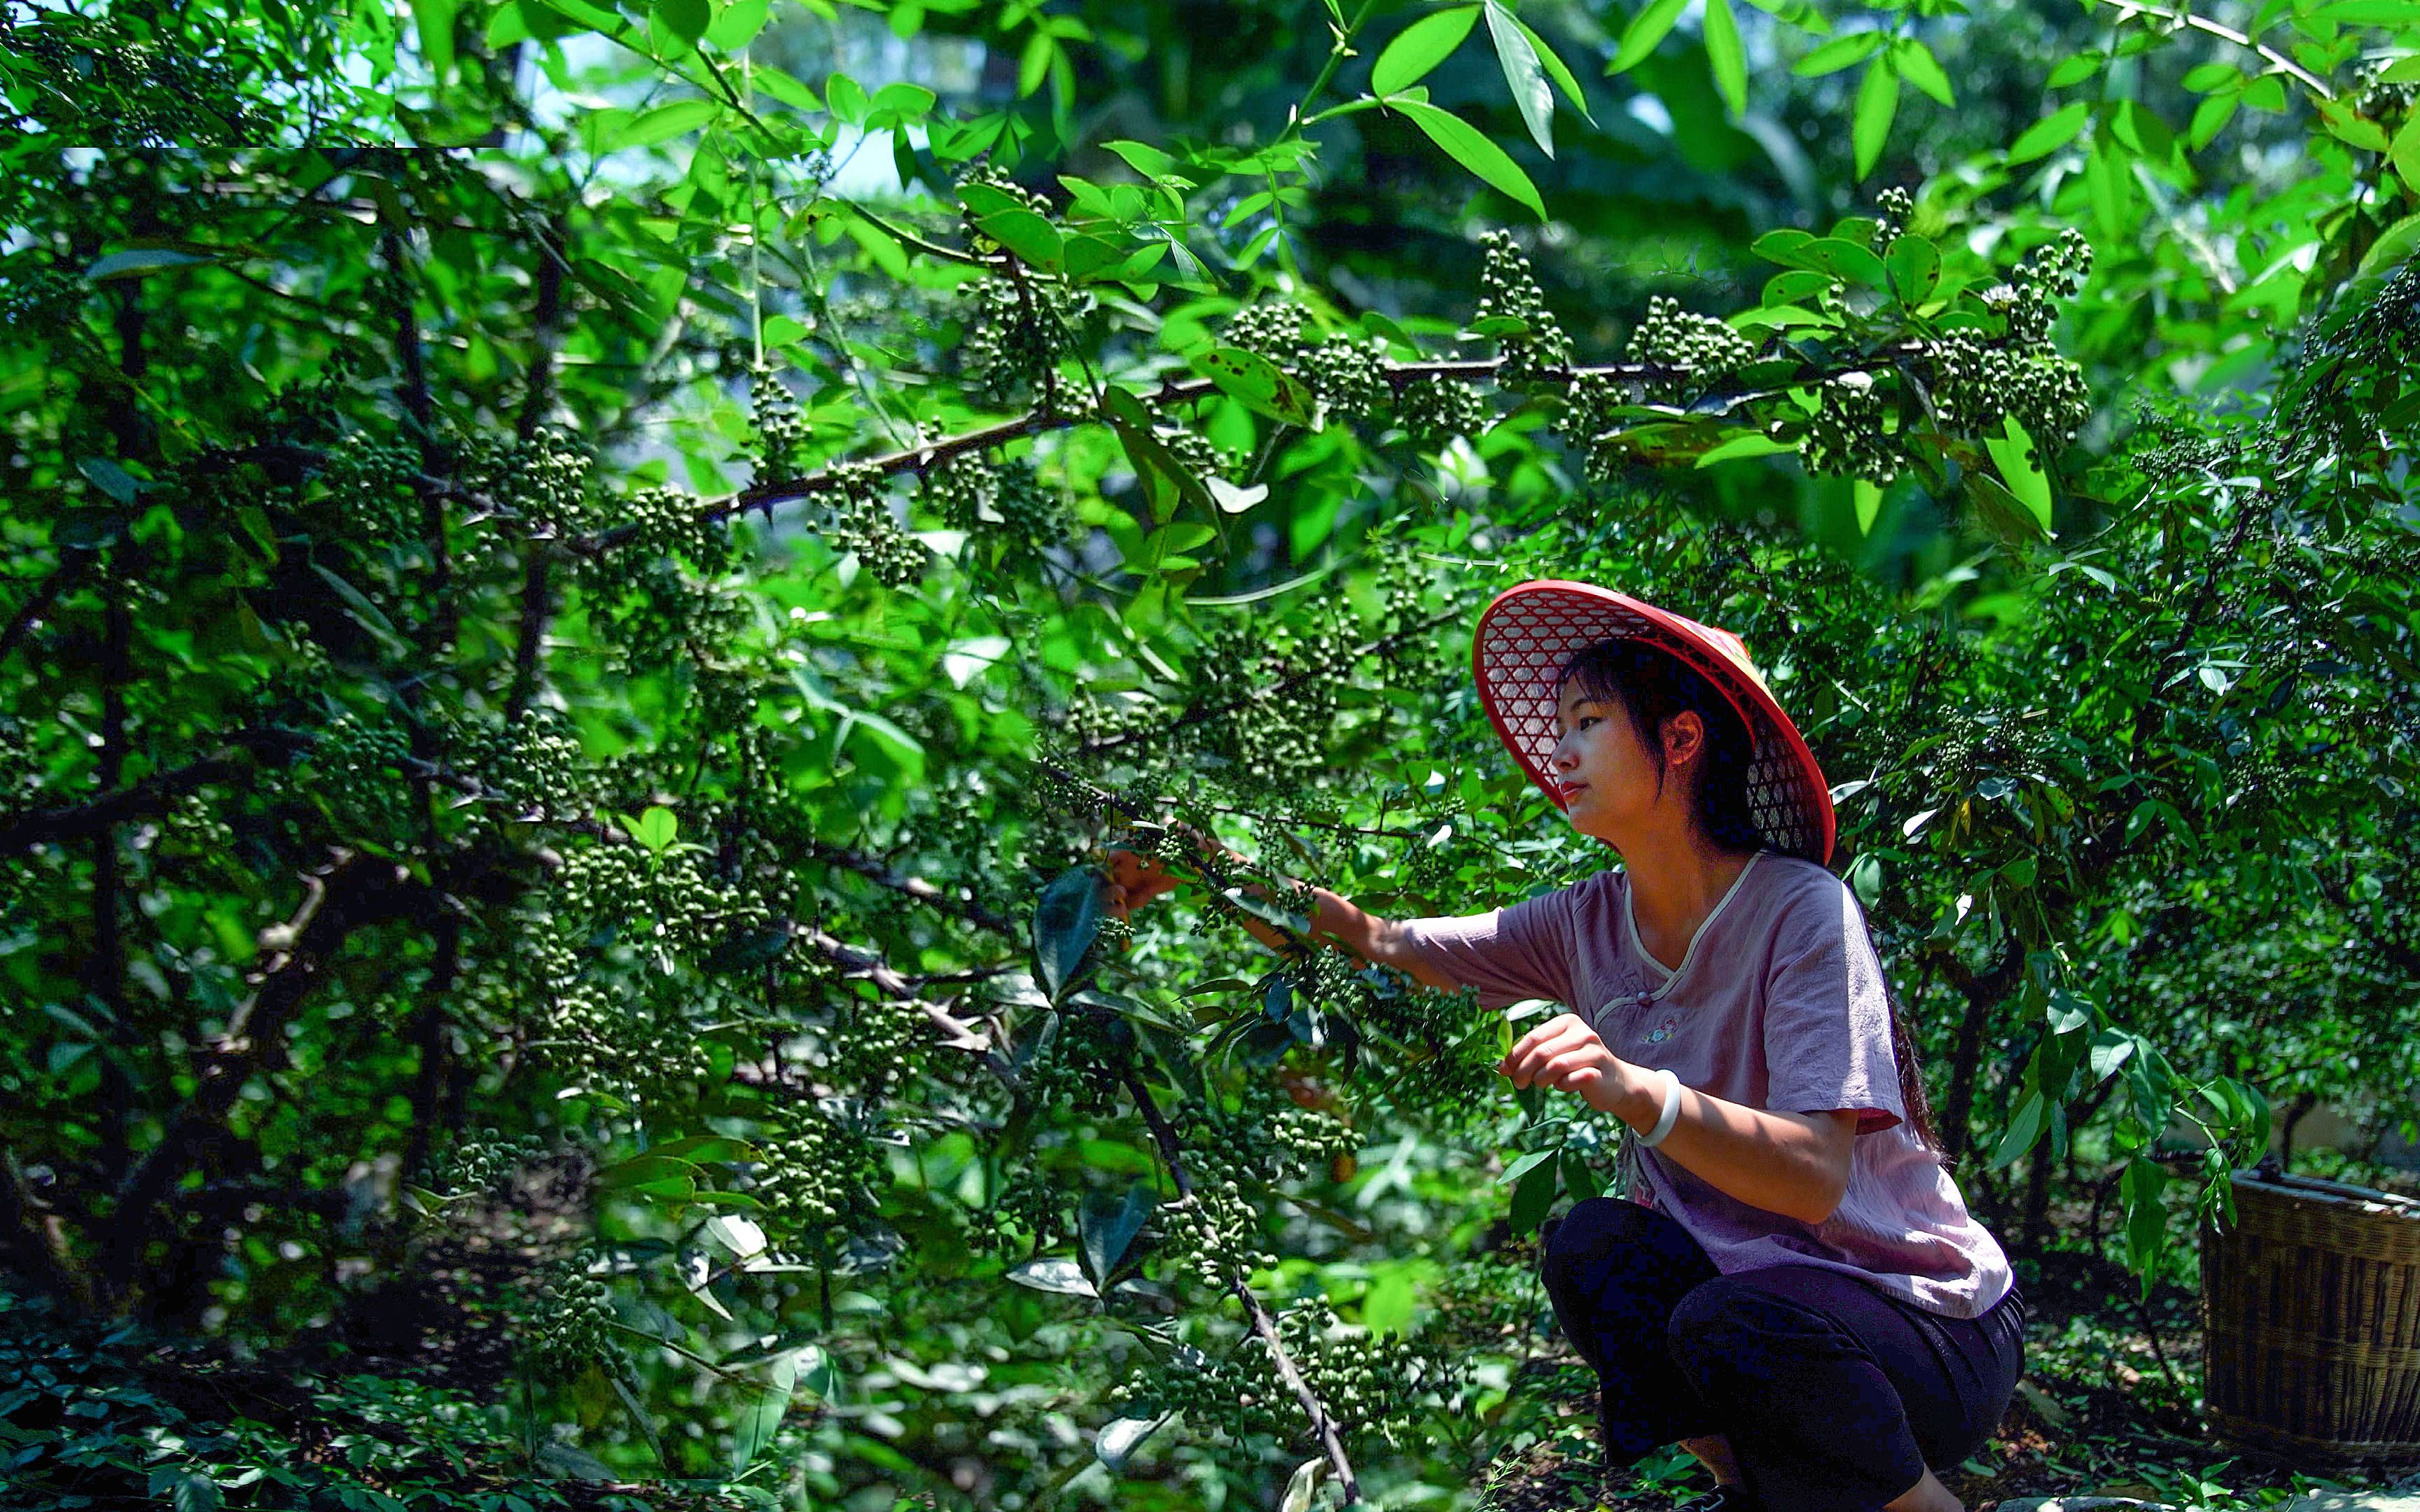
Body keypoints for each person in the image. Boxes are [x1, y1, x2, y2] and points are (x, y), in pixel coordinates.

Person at [1108, 580, 2023, 1512]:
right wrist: (1207, 869)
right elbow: (1381, 943)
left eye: (1587, 721)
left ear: (1678, 741)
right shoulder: (1585, 921)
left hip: (1929, 1330)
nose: (1560, 752)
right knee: (1595, 1248)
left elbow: (1815, 1177)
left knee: (1728, 1318)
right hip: (1765, 1317)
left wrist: (1641, 1092)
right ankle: (1751, 1488)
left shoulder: (1801, 911)